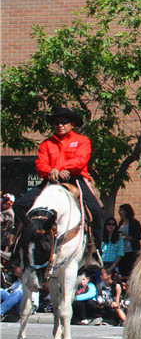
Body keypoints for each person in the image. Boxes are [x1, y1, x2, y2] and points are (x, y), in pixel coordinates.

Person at [12, 107, 103, 267]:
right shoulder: (46, 144)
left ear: (72, 124)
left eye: (63, 122)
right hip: (51, 180)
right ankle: (18, 247)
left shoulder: (82, 141)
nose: (59, 125)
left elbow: (80, 161)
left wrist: (61, 169)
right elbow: (40, 164)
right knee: (19, 205)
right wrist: (50, 171)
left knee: (96, 211)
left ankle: (95, 252)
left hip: (74, 179)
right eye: (56, 123)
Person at [116, 204, 141, 279]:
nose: (119, 212)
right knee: (122, 270)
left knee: (130, 269)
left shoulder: (134, 222)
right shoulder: (121, 223)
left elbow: (140, 236)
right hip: (122, 250)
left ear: (126, 211)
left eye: (121, 210)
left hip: (131, 250)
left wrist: (127, 238)